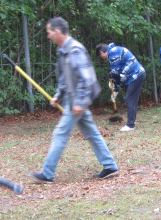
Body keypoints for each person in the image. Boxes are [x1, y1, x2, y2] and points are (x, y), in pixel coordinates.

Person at [29, 17, 118, 183]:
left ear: (57, 31)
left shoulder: (75, 50)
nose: (48, 36)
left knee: (60, 134)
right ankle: (110, 165)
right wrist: (58, 95)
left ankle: (47, 174)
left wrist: (80, 102)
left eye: (49, 32)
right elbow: (65, 77)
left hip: (77, 99)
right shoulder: (63, 50)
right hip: (73, 98)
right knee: (91, 133)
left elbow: (86, 78)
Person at [95, 42, 146, 131]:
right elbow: (117, 74)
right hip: (137, 74)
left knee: (129, 98)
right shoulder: (114, 50)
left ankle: (130, 125)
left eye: (100, 56)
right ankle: (131, 123)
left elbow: (115, 72)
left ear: (102, 53)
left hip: (136, 75)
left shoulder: (113, 53)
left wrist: (114, 87)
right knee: (131, 99)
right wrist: (115, 89)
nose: (102, 58)